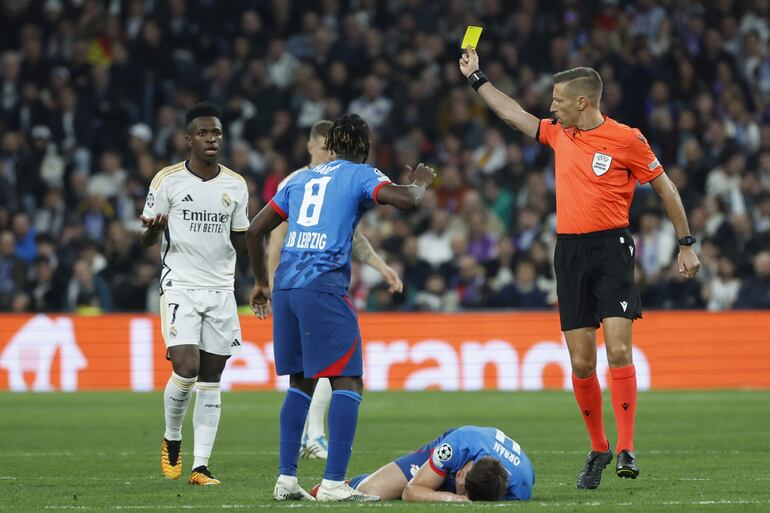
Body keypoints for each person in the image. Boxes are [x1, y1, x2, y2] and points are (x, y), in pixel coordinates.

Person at [459, 50, 701, 489]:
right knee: (582, 361)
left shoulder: (628, 139)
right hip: (568, 253)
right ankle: (600, 447)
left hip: (611, 249)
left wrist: (685, 244)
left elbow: (666, 189)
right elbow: (514, 114)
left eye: (558, 100)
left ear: (583, 103)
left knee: (620, 351)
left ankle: (627, 447)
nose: (551, 107)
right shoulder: (558, 134)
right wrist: (476, 78)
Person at [247, 113, 435, 502]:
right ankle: (333, 484)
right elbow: (407, 201)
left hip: (286, 286)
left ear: (330, 146)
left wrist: (261, 283)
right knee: (347, 380)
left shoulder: (298, 179)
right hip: (323, 286)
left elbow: (254, 229)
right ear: (364, 148)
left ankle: (286, 480)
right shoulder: (361, 173)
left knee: (300, 382)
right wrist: (420, 182)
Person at [266, 119, 403, 460]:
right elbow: (275, 237)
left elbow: (353, 237)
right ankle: (316, 445)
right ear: (312, 146)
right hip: (317, 283)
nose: (329, 150)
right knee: (342, 375)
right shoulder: (309, 179)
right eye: (324, 144)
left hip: (291, 286)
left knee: (307, 377)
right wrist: (266, 283)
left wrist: (381, 266)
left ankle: (297, 458)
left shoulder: (305, 182)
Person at [140, 102, 250, 486]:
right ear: (188, 139)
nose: (211, 139)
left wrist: (258, 284)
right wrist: (153, 230)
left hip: (221, 289)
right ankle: (172, 437)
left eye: (216, 133)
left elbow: (242, 240)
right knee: (186, 367)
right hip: (180, 284)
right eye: (204, 133)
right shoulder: (166, 181)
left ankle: (200, 466)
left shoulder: (235, 185)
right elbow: (145, 237)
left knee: (211, 377)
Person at [316, 425, 534, 502]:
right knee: (372, 491)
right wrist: (453, 498)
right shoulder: (457, 447)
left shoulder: (520, 488)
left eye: (464, 490)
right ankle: (350, 482)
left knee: (431, 489)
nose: (459, 484)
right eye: (462, 477)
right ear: (470, 463)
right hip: (451, 448)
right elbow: (411, 492)